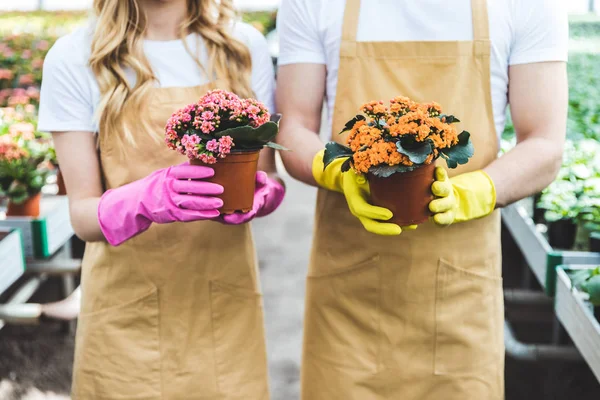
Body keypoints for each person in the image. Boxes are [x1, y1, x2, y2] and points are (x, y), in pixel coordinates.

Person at [276, 0, 568, 398]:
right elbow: (293, 125)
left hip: (459, 298)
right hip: (350, 298)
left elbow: (545, 143)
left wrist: (475, 192)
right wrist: (338, 172)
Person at [38, 0, 284, 398]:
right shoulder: (75, 57)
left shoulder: (240, 46)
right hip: (127, 311)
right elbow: (82, 215)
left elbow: (266, 174)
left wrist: (264, 195)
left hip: (223, 304)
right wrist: (146, 198)